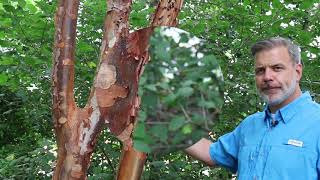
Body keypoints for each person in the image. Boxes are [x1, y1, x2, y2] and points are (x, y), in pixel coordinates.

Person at [185, 37, 320, 179]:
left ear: (297, 72)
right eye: (260, 70)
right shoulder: (250, 125)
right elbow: (210, 154)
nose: (267, 77)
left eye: (277, 68)